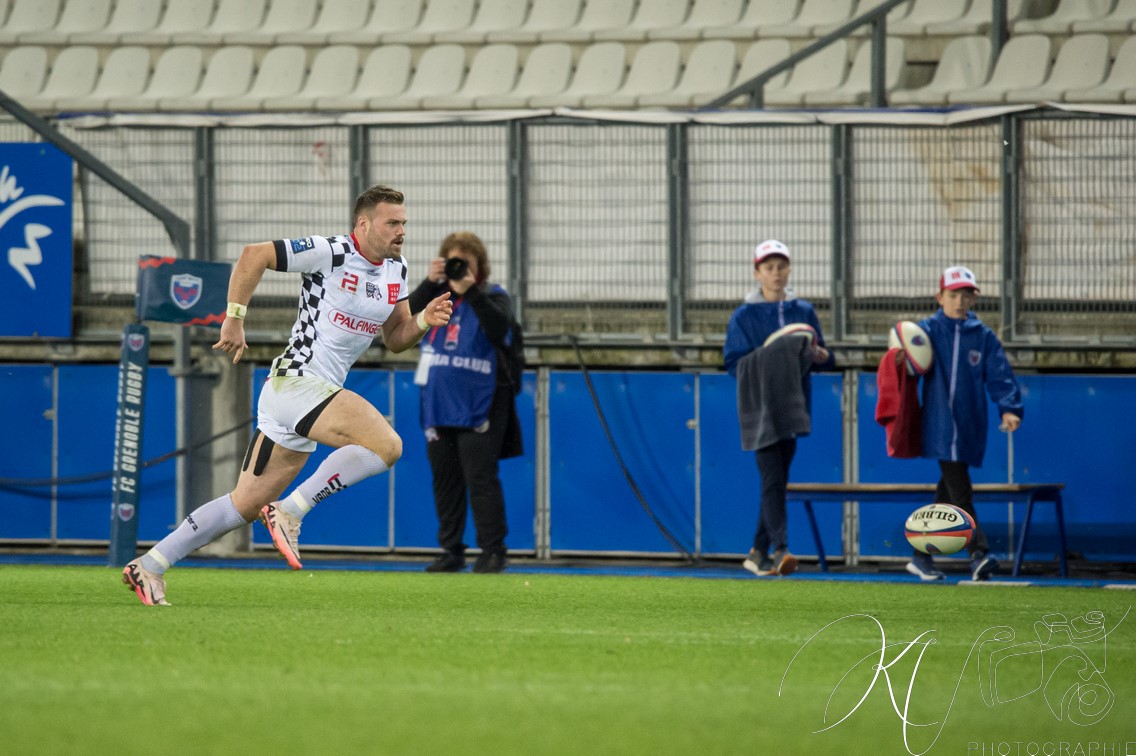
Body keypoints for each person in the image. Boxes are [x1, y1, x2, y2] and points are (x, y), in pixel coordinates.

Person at [121, 185, 454, 606]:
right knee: (386, 445)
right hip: (296, 382)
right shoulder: (329, 251)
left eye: (404, 223)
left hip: (308, 396)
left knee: (241, 505)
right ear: (363, 224)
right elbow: (253, 255)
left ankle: (150, 565)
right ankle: (290, 510)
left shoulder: (396, 269)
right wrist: (234, 319)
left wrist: (424, 319)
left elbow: (396, 338)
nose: (401, 231)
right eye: (392, 223)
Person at [408, 231, 523, 574]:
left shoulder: (493, 296)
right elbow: (404, 317)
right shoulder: (437, 298)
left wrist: (469, 289)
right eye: (453, 263)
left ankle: (493, 549)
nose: (459, 271)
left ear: (480, 267)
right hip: (438, 404)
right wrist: (431, 283)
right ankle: (451, 549)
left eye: (466, 265)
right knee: (445, 479)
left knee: (481, 478)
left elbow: (500, 326)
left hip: (482, 404)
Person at [902, 265, 1023, 583]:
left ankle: (920, 556)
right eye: (953, 294)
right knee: (961, 490)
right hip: (939, 424)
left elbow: (999, 375)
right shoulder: (925, 331)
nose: (959, 301)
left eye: (965, 295)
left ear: (973, 299)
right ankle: (979, 554)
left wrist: (1009, 409)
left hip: (969, 424)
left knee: (948, 492)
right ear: (939, 296)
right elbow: (904, 362)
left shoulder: (982, 336)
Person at [723, 240, 834, 578]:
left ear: (789, 270)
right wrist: (774, 354)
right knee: (773, 478)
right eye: (768, 267)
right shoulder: (744, 316)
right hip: (760, 408)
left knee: (776, 479)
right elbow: (734, 362)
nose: (776, 273)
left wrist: (820, 357)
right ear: (757, 273)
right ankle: (780, 548)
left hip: (793, 405)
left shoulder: (804, 311)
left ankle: (757, 551)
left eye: (781, 266)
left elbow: (822, 355)